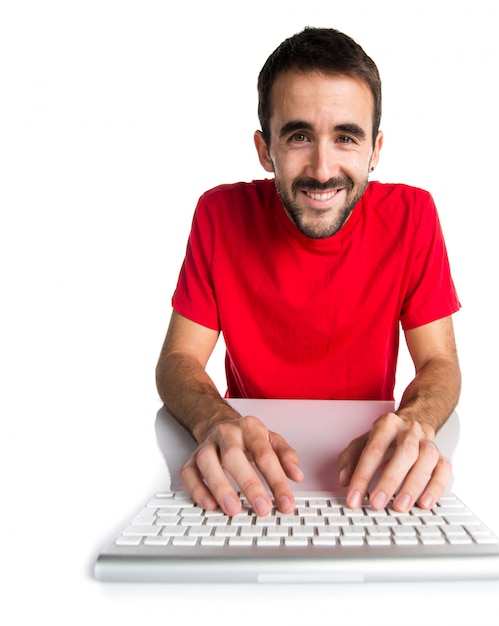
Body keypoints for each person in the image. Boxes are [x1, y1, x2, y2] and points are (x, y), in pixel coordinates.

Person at [155, 27, 461, 519]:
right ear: (264, 148)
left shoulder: (414, 214)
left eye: (346, 137)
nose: (322, 168)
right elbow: (177, 359)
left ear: (375, 150)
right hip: (247, 472)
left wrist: (417, 423)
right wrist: (215, 422)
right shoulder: (218, 214)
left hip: (369, 477)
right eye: (299, 136)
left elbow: (440, 364)